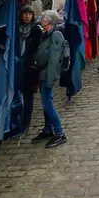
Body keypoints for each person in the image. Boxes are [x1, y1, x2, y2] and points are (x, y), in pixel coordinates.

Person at [31, 10, 67, 148]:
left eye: (43, 17)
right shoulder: (46, 34)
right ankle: (48, 130)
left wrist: (50, 78)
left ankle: (59, 133)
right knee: (45, 103)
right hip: (42, 73)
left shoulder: (55, 35)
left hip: (47, 75)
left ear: (49, 20)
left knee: (48, 104)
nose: (41, 18)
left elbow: (53, 59)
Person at [19, 5, 43, 133]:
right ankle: (16, 119)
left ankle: (26, 122)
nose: (28, 16)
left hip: (30, 67)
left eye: (30, 14)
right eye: (25, 13)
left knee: (28, 96)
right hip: (18, 64)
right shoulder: (16, 29)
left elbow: (39, 48)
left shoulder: (36, 30)